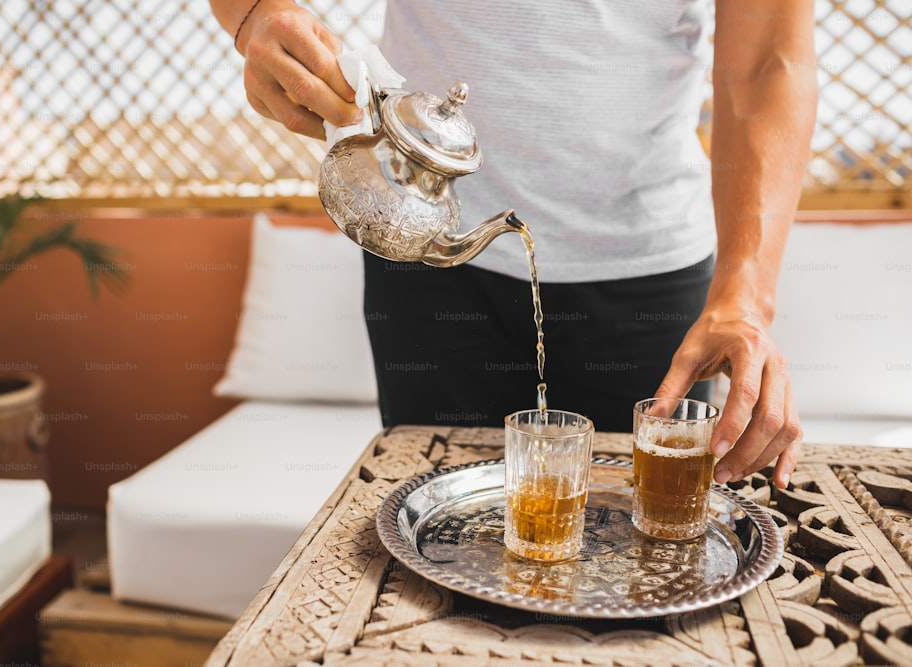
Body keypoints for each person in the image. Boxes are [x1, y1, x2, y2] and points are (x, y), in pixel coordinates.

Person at [208, 0, 817, 490]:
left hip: (649, 280)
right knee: (429, 548)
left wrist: (747, 299)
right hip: (425, 252)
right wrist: (254, 12)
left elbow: (769, 61)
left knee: (642, 553)